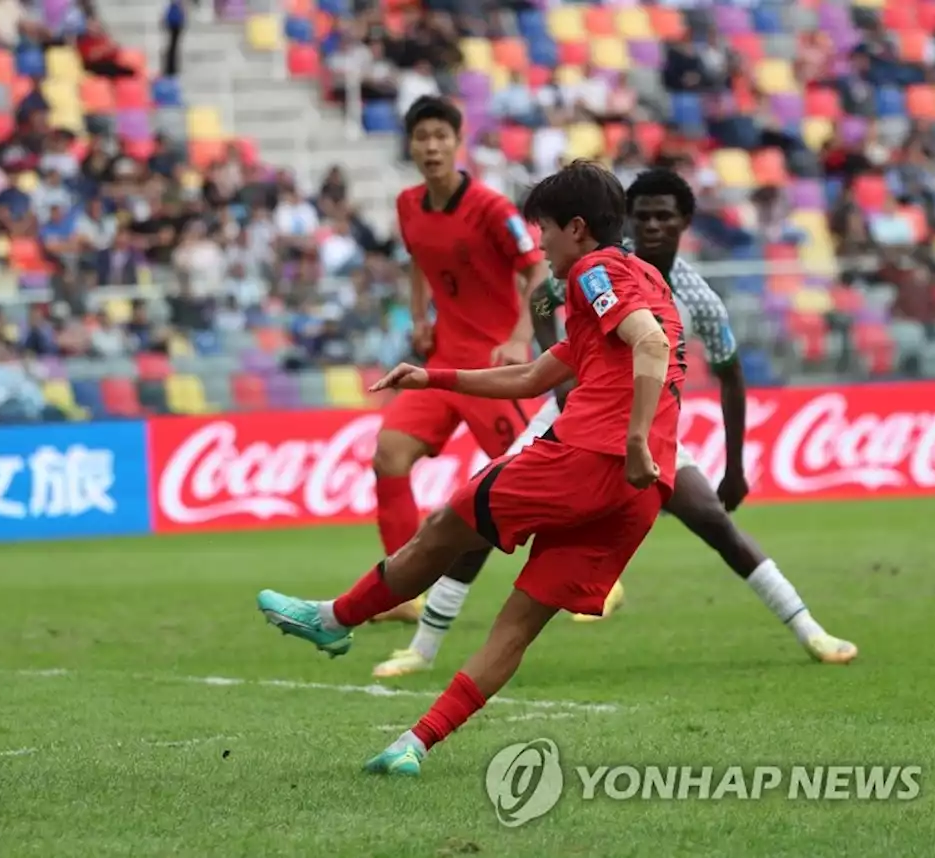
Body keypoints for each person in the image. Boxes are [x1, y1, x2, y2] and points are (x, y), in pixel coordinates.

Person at [258, 161, 686, 776]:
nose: (540, 244)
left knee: (441, 531)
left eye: (545, 230)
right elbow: (534, 375)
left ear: (577, 228)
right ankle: (414, 744)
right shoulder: (639, 278)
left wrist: (635, 436)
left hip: (586, 458)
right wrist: (429, 374)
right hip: (638, 493)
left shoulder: (595, 271)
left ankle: (333, 619)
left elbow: (651, 344)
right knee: (516, 627)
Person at [374, 168, 857, 678]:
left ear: (683, 223)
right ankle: (423, 648)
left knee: (713, 521)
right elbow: (542, 300)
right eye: (641, 215)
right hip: (568, 415)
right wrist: (556, 369)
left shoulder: (698, 297)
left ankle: (809, 629)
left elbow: (731, 376)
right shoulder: (596, 268)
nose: (651, 226)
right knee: (482, 520)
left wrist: (734, 466)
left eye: (663, 216)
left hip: (645, 429)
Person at [370, 95, 547, 624]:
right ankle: (401, 589)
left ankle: (600, 581)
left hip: (495, 368)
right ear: (411, 146)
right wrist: (419, 318)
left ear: (456, 141)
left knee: (531, 479)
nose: (431, 146)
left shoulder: (492, 207)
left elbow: (537, 270)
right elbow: (418, 262)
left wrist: (520, 336)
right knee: (389, 457)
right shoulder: (408, 205)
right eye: (421, 137)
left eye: (440, 136)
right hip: (443, 362)